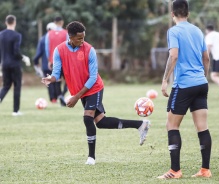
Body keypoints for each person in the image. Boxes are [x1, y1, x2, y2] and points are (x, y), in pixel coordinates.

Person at [41, 21, 150, 165]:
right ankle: (141, 124)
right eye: (79, 38)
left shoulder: (89, 50)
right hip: (81, 91)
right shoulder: (59, 50)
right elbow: (56, 72)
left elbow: (93, 77)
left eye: (83, 37)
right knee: (101, 122)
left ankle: (91, 157)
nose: (82, 41)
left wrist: (76, 97)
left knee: (87, 118)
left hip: (94, 88)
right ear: (70, 37)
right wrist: (51, 79)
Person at [157, 0, 212, 179]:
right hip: (201, 83)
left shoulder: (173, 31)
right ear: (188, 13)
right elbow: (207, 58)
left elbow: (173, 55)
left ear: (172, 13)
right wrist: (203, 77)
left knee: (171, 125)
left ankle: (175, 171)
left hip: (184, 85)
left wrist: (165, 80)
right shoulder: (197, 30)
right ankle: (205, 170)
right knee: (202, 127)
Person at [0, 15, 30, 116]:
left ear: (6, 22)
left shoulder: (1, 35)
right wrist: (24, 58)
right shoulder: (17, 35)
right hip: (15, 65)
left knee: (6, 86)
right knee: (17, 86)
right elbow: (16, 52)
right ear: (15, 22)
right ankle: (15, 111)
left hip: (4, 64)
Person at [45, 16, 68, 106]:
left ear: (54, 23)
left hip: (54, 61)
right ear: (62, 22)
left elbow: (47, 48)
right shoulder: (66, 33)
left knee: (57, 80)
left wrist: (49, 60)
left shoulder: (49, 34)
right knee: (68, 81)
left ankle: (60, 97)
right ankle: (62, 95)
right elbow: (68, 46)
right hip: (65, 60)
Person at [33, 22, 57, 102]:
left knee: (48, 81)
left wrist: (35, 61)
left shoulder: (43, 39)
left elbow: (39, 53)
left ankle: (52, 98)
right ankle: (57, 97)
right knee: (56, 80)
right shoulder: (57, 38)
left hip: (45, 64)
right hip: (56, 64)